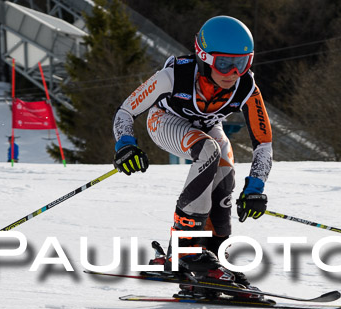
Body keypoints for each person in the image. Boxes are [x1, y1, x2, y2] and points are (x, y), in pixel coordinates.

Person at [112, 16, 272, 291]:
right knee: (208, 150)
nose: (232, 73)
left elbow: (264, 144)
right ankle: (188, 252)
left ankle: (213, 257)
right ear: (203, 56)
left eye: (242, 63)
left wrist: (255, 187)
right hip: (164, 121)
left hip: (208, 126)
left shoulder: (246, 87)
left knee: (225, 174)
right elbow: (126, 111)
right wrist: (125, 144)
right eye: (223, 62)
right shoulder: (176, 75)